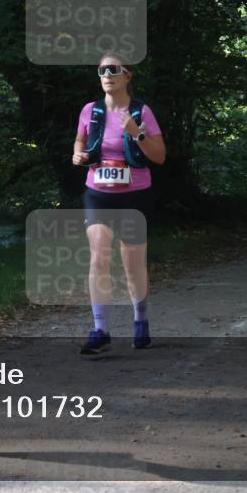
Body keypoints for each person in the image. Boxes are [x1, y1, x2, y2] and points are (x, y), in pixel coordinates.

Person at [71, 53, 166, 356]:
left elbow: (160, 156)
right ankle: (100, 329)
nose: (107, 75)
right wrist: (79, 154)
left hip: (134, 194)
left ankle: (141, 321)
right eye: (101, 70)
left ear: (128, 76)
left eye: (113, 69)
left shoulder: (141, 111)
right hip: (98, 191)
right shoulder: (90, 110)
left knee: (132, 263)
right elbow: (80, 140)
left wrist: (135, 132)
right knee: (98, 256)